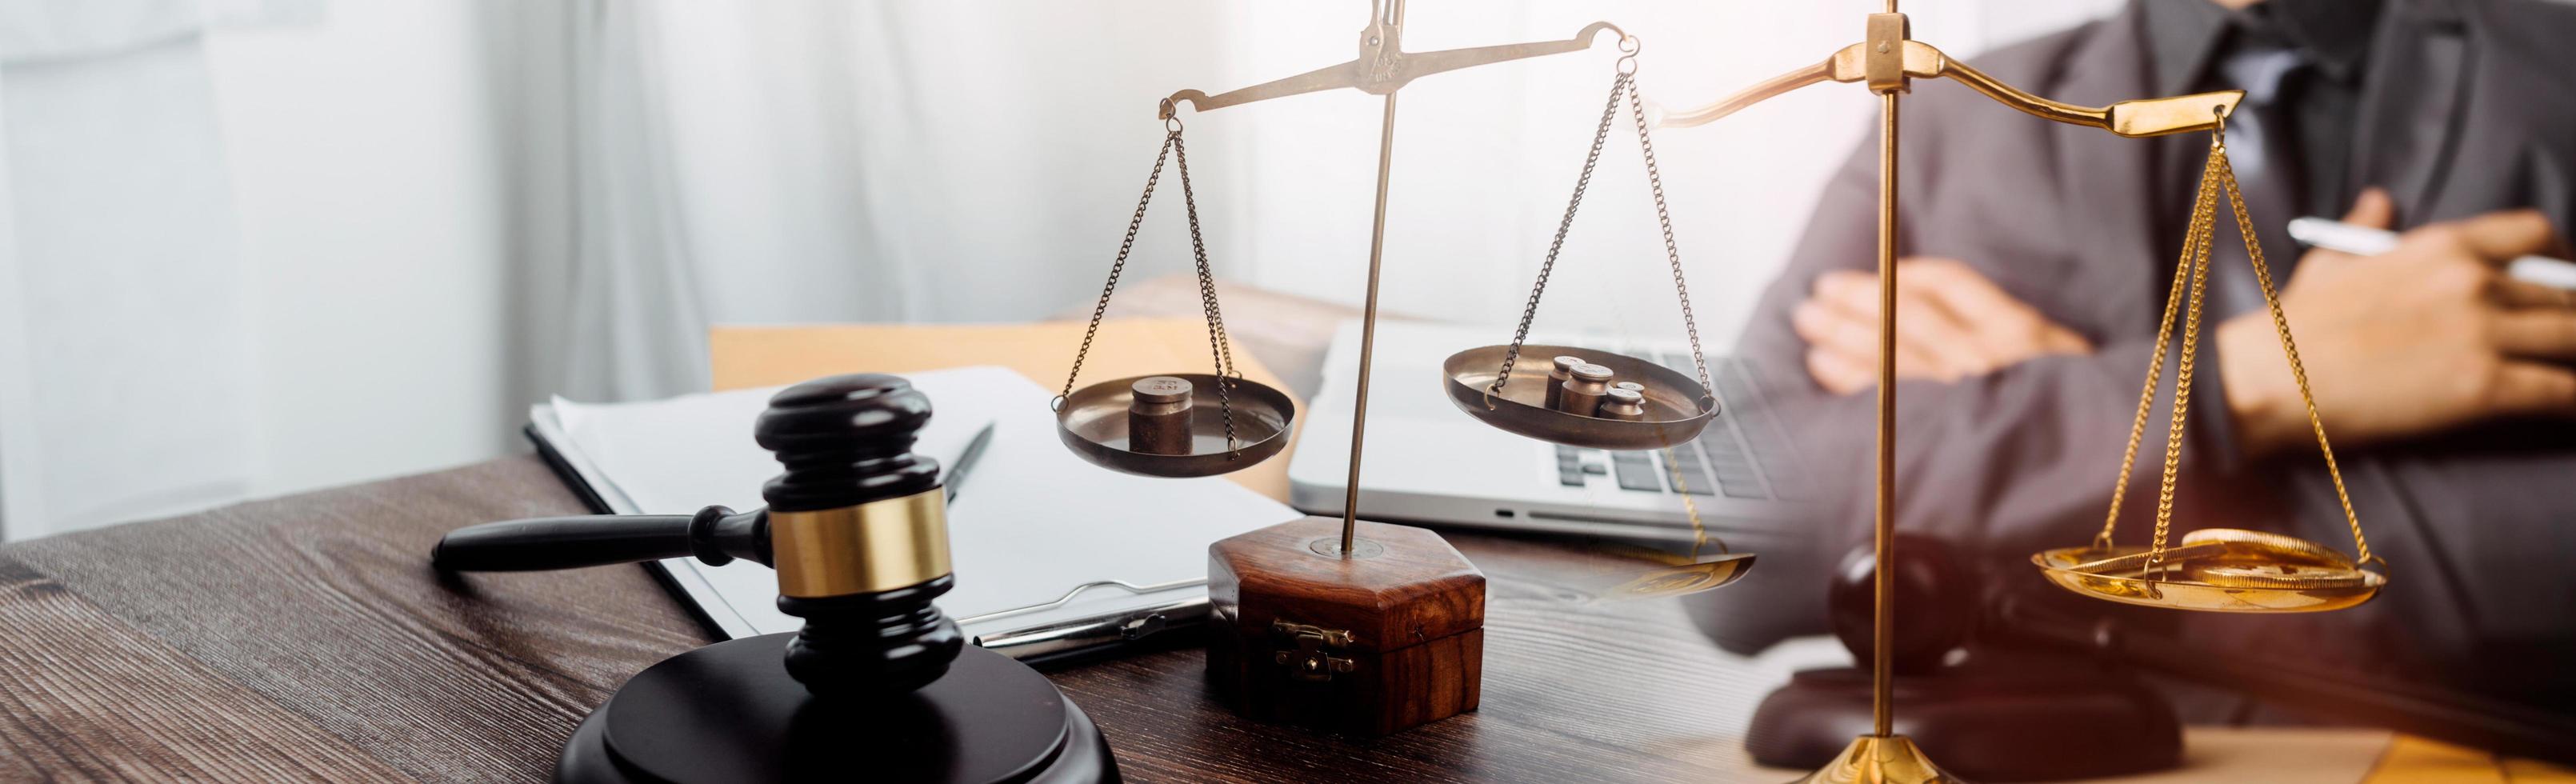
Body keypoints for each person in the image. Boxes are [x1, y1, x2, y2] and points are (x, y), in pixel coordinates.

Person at [1694, 0, 2576, 722]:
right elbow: (1726, 542)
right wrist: (2248, 380)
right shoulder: (1944, 120)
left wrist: (2038, 467)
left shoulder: (2555, 73)